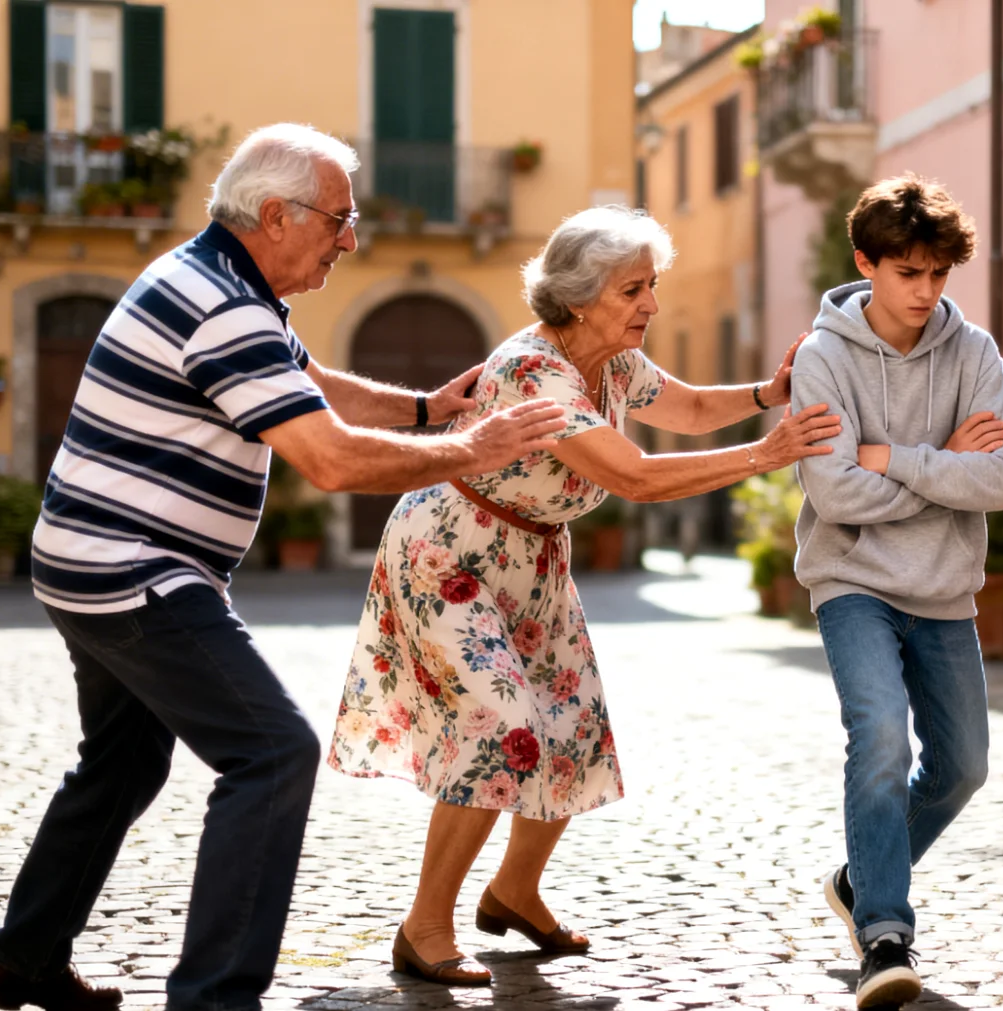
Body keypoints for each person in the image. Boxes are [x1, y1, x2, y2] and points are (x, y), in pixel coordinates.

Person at [0, 123, 567, 1011]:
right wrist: (473, 448)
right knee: (273, 753)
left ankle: (21, 959)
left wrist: (427, 408)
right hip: (137, 572)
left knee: (122, 763)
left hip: (86, 560)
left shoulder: (220, 284)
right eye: (339, 219)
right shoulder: (226, 308)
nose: (349, 239)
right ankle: (214, 999)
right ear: (277, 215)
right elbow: (331, 459)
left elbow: (309, 381)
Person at [327, 205, 841, 986]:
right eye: (633, 289)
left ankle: (514, 890)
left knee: (572, 728)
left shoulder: (615, 363)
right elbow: (633, 477)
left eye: (651, 285)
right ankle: (423, 924)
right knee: (500, 727)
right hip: (450, 553)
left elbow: (688, 407)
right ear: (577, 296)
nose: (651, 304)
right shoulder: (533, 371)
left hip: (532, 559)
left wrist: (767, 392)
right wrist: (765, 455)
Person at [788, 174, 1003, 1009]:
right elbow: (835, 492)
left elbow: (998, 479)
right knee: (881, 733)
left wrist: (891, 457)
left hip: (944, 590)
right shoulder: (822, 358)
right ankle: (884, 933)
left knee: (963, 767)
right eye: (907, 272)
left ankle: (862, 877)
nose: (926, 291)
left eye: (938, 274)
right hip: (852, 581)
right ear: (866, 263)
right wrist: (944, 464)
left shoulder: (975, 352)